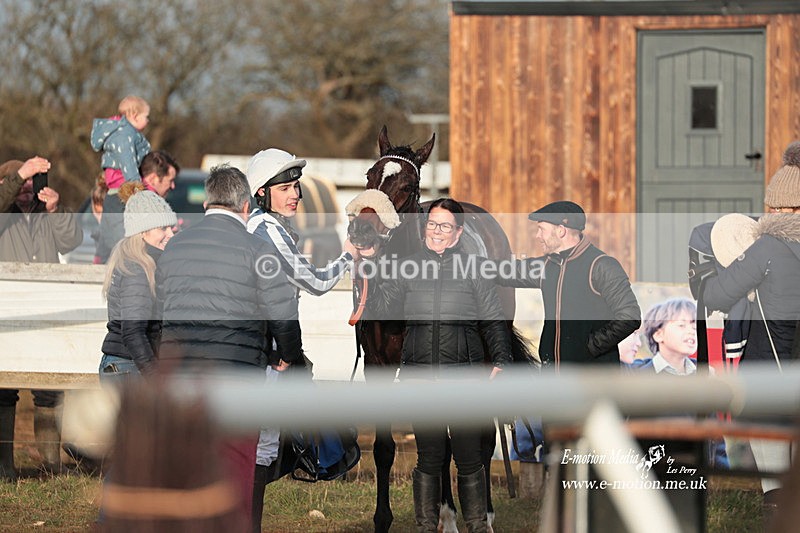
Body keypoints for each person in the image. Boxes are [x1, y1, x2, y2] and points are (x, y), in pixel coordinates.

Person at [156, 164, 301, 528]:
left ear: (208, 202)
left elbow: (158, 310)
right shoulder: (258, 248)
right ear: (246, 206)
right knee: (236, 473)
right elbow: (283, 312)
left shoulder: (173, 247)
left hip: (182, 377)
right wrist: (287, 355)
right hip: (238, 375)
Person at [364, 198, 513, 533]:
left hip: (464, 379)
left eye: (445, 226)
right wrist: (371, 268)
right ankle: (427, 527)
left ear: (458, 234)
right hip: (421, 380)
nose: (436, 232)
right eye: (432, 224)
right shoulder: (408, 268)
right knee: (428, 460)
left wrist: (501, 360)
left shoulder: (475, 270)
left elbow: (493, 321)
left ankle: (476, 525)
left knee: (468, 458)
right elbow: (382, 308)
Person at [244, 148, 357, 529]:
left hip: (263, 351)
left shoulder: (267, 227)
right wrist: (350, 256)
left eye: (297, 187)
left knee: (269, 446)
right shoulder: (268, 230)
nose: (296, 195)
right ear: (262, 192)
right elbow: (317, 282)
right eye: (287, 188)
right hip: (267, 356)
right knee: (264, 448)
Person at [699, 141, 800, 521]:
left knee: (771, 453)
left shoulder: (768, 248)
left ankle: (777, 511)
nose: (769, 211)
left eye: (775, 205)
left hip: (769, 369)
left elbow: (717, 296)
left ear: (786, 207)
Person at [0, 157, 83, 478]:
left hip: (46, 306)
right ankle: (5, 468)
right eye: (20, 183)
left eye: (29, 183)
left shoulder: (43, 209)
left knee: (49, 387)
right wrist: (20, 173)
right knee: (4, 388)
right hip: (8, 308)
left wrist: (55, 211)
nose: (26, 189)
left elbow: (71, 241)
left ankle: (51, 465)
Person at [490, 200, 641, 367]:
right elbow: (506, 271)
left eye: (542, 229)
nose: (537, 236)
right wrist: (463, 262)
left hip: (593, 379)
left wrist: (589, 347)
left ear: (560, 231)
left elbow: (629, 316)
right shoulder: (547, 266)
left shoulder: (602, 266)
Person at [99, 183, 177, 383]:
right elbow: (133, 331)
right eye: (162, 228)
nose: (171, 234)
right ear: (142, 232)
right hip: (129, 366)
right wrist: (155, 376)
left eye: (171, 227)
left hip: (129, 364)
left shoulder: (144, 263)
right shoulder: (137, 269)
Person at [95, 150, 179, 263]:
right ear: (153, 178)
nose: (173, 186)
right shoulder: (120, 200)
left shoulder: (151, 203)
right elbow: (123, 243)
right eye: (171, 180)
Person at [90, 95, 152, 189]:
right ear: (135, 116)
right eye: (146, 117)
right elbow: (127, 160)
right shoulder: (125, 135)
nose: (148, 121)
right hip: (121, 177)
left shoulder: (126, 132)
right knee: (149, 190)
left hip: (120, 176)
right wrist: (135, 184)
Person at [634, 298, 698, 375]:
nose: (692, 332)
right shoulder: (636, 372)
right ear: (658, 335)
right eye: (682, 325)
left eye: (694, 327)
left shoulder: (705, 372)